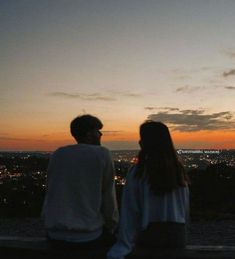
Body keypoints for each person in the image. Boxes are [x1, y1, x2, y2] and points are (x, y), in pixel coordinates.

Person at [107, 121, 189, 259]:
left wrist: (122, 246)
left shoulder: (139, 172)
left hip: (150, 236)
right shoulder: (178, 171)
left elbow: (130, 212)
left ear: (146, 143)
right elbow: (185, 210)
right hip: (177, 235)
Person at [42, 114, 119, 252]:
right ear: (89, 134)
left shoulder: (59, 154)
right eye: (97, 131)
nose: (100, 134)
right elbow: (109, 197)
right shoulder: (102, 154)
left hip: (55, 234)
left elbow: (50, 191)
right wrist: (112, 225)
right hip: (87, 236)